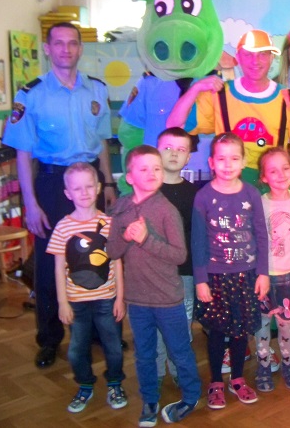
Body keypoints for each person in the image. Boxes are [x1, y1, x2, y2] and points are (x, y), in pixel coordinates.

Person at [3, 22, 116, 369]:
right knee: (50, 262)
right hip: (52, 184)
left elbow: (101, 143)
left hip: (92, 182)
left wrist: (108, 184)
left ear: (80, 48)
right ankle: (49, 339)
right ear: (48, 49)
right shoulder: (31, 94)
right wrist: (31, 203)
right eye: (59, 43)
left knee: (97, 257)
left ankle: (98, 332)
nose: (66, 49)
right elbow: (23, 153)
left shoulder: (96, 90)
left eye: (72, 43)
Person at [108, 145, 201, 426]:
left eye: (156, 168)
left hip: (168, 299)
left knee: (179, 351)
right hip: (137, 300)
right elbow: (112, 251)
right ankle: (149, 398)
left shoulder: (166, 210)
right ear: (129, 176)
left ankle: (191, 396)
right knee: (145, 354)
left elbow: (179, 255)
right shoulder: (121, 207)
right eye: (144, 169)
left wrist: (146, 239)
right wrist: (126, 236)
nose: (152, 173)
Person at [167, 29, 290, 189]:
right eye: (248, 54)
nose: (255, 61)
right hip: (229, 189)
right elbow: (174, 124)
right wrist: (195, 88)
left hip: (273, 191)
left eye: (263, 54)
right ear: (238, 58)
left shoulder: (288, 99)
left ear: (271, 58)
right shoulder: (219, 95)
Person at [192, 133, 269, 409]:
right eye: (221, 158)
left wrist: (263, 273)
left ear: (244, 161)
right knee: (216, 332)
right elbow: (198, 241)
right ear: (211, 162)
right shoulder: (203, 196)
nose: (228, 164)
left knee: (240, 331)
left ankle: (237, 378)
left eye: (234, 158)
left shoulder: (251, 193)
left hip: (246, 275)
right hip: (215, 278)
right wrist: (201, 280)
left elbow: (261, 235)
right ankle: (215, 381)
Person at [47, 163, 126, 413]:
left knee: (113, 347)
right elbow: (59, 268)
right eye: (77, 188)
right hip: (76, 302)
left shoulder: (109, 223)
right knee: (76, 350)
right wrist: (62, 302)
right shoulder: (63, 227)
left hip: (107, 299)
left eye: (89, 186)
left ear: (99, 188)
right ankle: (85, 384)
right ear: (67, 193)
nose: (84, 192)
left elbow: (117, 262)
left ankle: (115, 383)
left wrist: (120, 298)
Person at [255, 147, 290, 392]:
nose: (280, 174)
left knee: (287, 325)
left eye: (285, 168)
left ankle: (287, 363)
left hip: (289, 276)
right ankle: (263, 365)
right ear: (263, 177)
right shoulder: (259, 204)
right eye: (273, 171)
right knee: (262, 325)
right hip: (264, 278)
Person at [155, 127, 199, 389]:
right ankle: (157, 370)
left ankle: (178, 367)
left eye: (181, 149)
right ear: (156, 151)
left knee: (182, 323)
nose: (174, 154)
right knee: (156, 324)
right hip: (153, 273)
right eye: (168, 148)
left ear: (189, 157)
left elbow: (197, 236)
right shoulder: (147, 190)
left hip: (185, 272)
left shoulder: (195, 194)